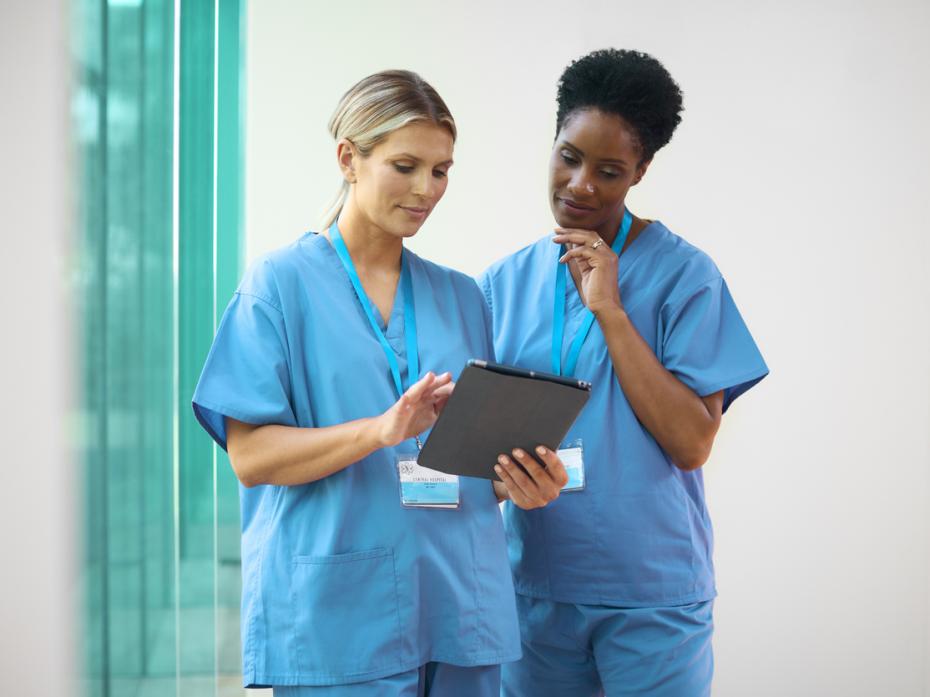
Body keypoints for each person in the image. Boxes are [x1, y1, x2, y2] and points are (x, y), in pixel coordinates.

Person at [192, 70, 567, 696]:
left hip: (460, 607)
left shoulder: (463, 295)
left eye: (441, 171)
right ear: (349, 158)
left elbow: (468, 472)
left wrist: (521, 482)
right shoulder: (278, 287)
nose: (427, 189)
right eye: (405, 165)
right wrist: (379, 431)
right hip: (339, 616)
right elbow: (251, 458)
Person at [479, 49, 769, 696]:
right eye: (568, 156)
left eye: (609, 171)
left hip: (652, 597)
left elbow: (693, 440)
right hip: (535, 594)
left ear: (641, 170)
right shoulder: (502, 284)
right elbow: (475, 455)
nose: (581, 184)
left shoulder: (685, 277)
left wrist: (610, 310)